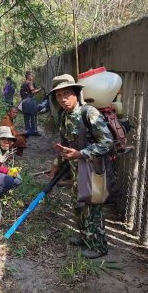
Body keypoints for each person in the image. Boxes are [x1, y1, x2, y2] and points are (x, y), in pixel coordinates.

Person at [48, 74, 113, 259]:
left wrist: (81, 153)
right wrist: (56, 165)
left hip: (92, 168)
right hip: (76, 171)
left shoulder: (89, 113)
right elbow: (63, 142)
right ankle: (86, 238)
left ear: (76, 93)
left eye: (67, 93)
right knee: (78, 205)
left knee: (92, 207)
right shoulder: (64, 116)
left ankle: (99, 247)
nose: (63, 99)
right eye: (59, 96)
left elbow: (107, 142)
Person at [20, 71, 42, 136]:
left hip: (24, 101)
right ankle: (34, 131)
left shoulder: (23, 83)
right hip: (30, 101)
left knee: (26, 117)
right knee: (33, 116)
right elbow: (33, 91)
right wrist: (40, 89)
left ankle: (28, 132)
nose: (32, 77)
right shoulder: (29, 82)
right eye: (32, 76)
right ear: (28, 76)